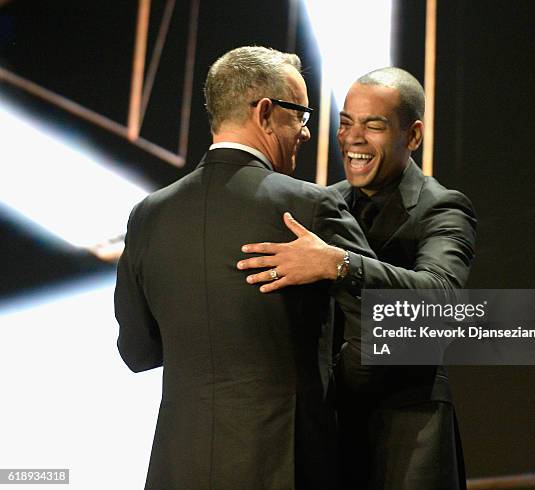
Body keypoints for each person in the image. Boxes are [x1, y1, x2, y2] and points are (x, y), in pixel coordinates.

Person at [114, 46, 374, 490]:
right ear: (265, 112)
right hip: (284, 467)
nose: (307, 132)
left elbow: (138, 352)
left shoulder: (147, 215)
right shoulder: (310, 207)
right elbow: (395, 319)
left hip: (178, 469)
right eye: (301, 115)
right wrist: (340, 266)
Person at [238, 67, 477, 489]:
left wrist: (338, 264)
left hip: (407, 431)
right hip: (326, 430)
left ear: (414, 136)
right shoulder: (321, 203)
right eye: (346, 123)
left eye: (374, 126)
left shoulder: (443, 208)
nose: (353, 139)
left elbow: (441, 300)